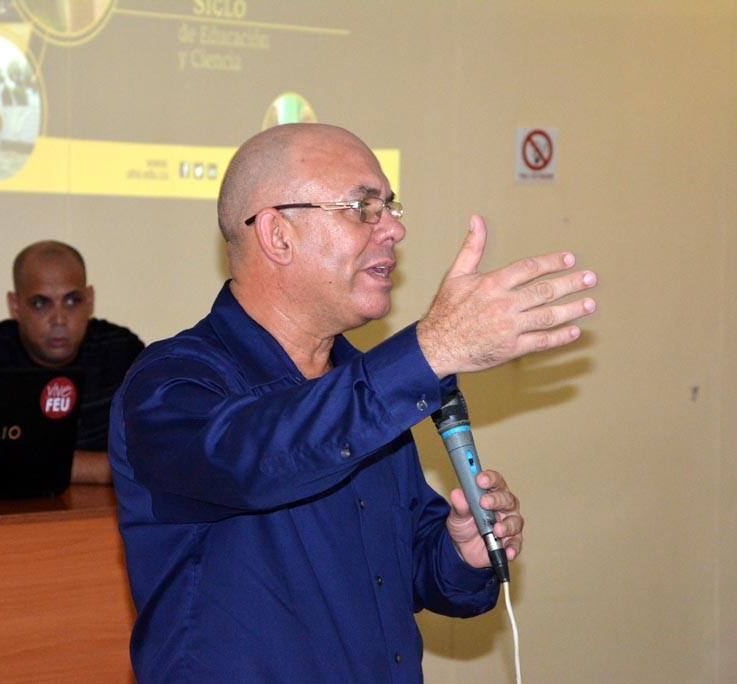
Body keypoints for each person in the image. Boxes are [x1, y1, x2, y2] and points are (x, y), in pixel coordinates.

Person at [109, 123, 598, 682]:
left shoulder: (362, 385)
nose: (394, 228)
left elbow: (409, 567)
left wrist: (461, 553)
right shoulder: (172, 383)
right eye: (363, 208)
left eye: (390, 206)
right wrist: (431, 349)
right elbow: (259, 461)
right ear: (278, 234)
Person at [0, 241, 144, 484]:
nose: (59, 319)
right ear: (15, 306)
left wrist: (33, 461)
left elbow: (152, 457)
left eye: (72, 301)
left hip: (100, 516)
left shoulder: (122, 352)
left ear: (90, 300)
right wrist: (101, 467)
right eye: (41, 303)